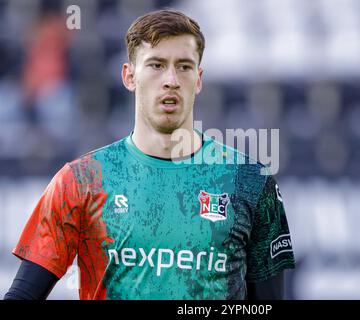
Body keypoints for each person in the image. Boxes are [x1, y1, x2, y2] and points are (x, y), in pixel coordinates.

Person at [4, 9, 295, 300]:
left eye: (184, 66)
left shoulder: (249, 181)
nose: (171, 79)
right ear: (129, 77)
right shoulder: (82, 180)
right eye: (156, 65)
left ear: (199, 79)